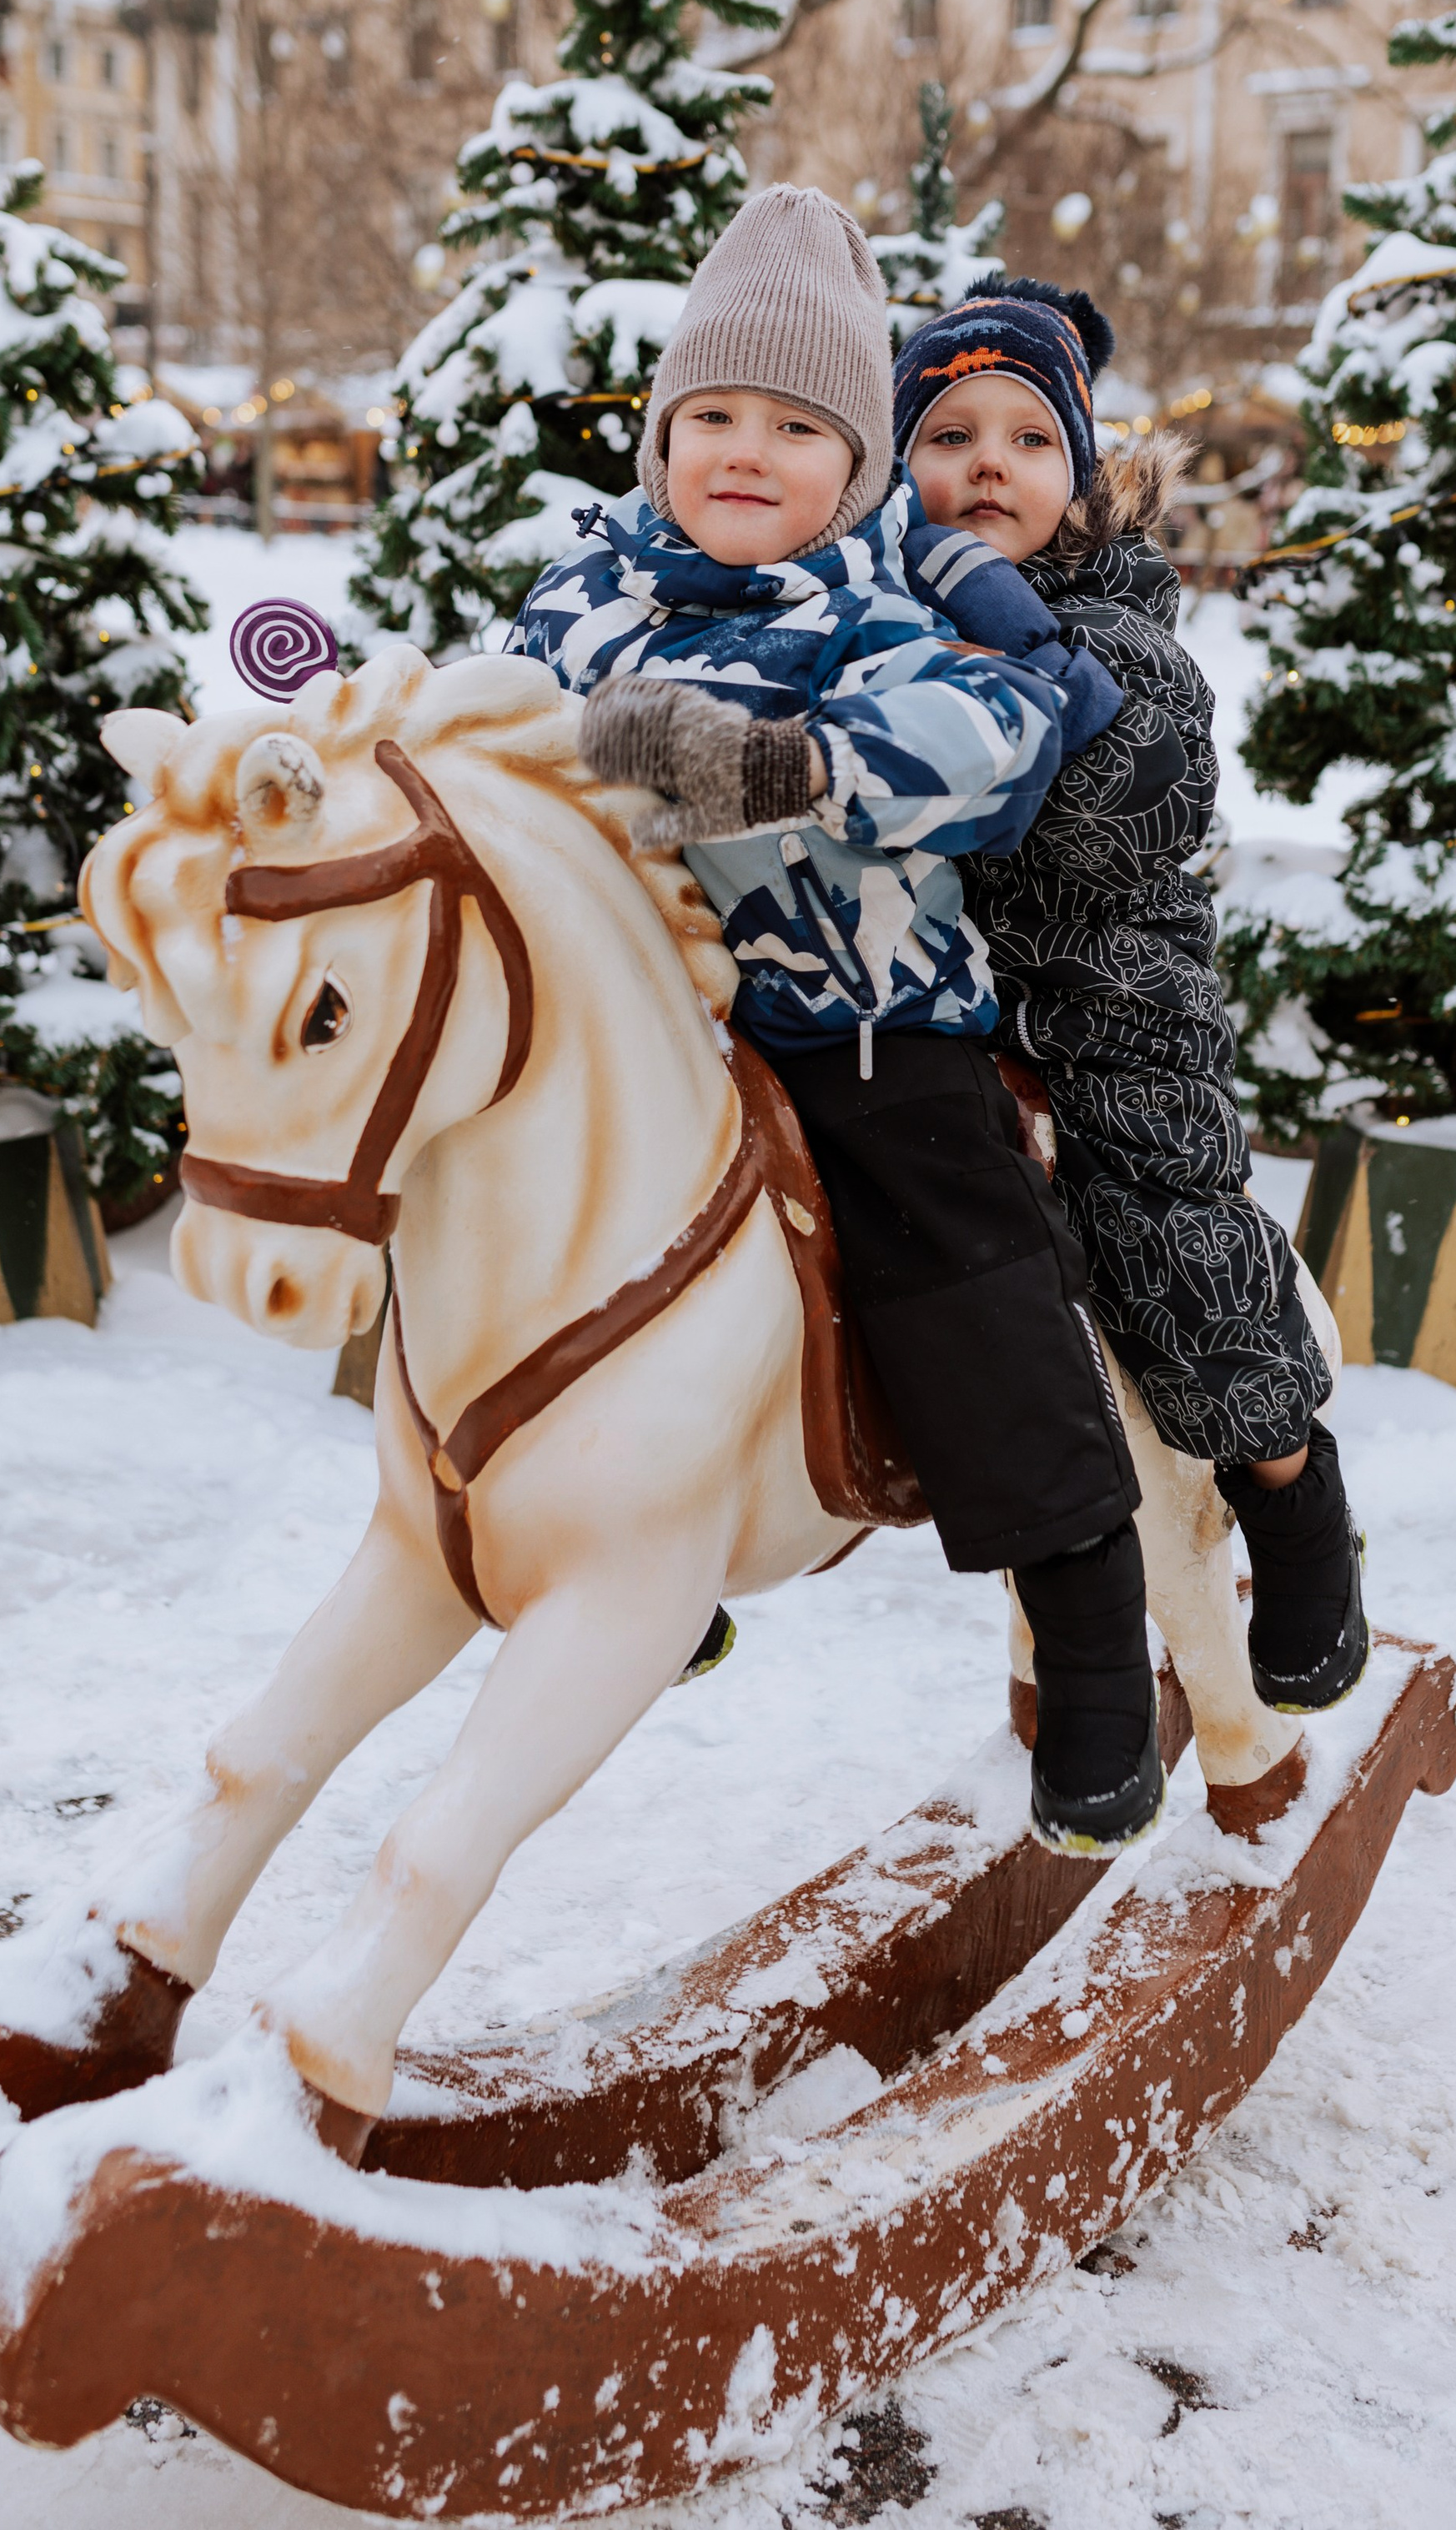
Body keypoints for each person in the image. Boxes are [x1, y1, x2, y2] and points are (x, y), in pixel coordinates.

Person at [519, 185, 1170, 1852]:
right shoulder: (586, 595)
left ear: (857, 468)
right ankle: (619, 1540)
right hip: (647, 1037)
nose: (745, 450)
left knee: (964, 1276)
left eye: (796, 425)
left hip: (861, 1027)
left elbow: (1000, 729)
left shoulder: (889, 595)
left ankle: (1089, 1628)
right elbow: (511, 728)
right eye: (710, 416)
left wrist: (802, 765)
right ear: (657, 439)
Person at [893, 276, 1367, 1714]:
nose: (988, 464)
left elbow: (1130, 799)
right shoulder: (862, 615)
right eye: (947, 434)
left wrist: (1006, 651)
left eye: (1028, 440)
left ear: (1082, 477)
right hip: (929, 1008)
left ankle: (1289, 1496)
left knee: (1170, 1238)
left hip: (1109, 997)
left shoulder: (1120, 622)